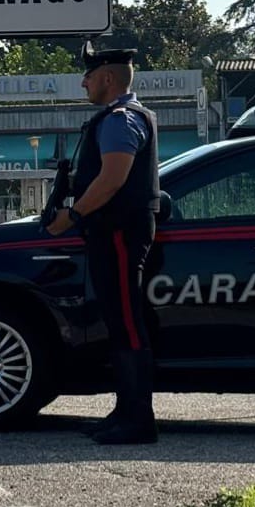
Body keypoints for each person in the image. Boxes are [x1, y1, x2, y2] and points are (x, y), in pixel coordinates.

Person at [46, 42, 160, 445]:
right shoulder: (116, 118)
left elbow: (112, 180)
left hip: (119, 232)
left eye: (89, 76)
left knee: (127, 323)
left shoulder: (120, 120)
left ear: (108, 78)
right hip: (111, 232)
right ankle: (125, 411)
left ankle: (138, 419)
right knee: (118, 321)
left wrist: (73, 215)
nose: (84, 83)